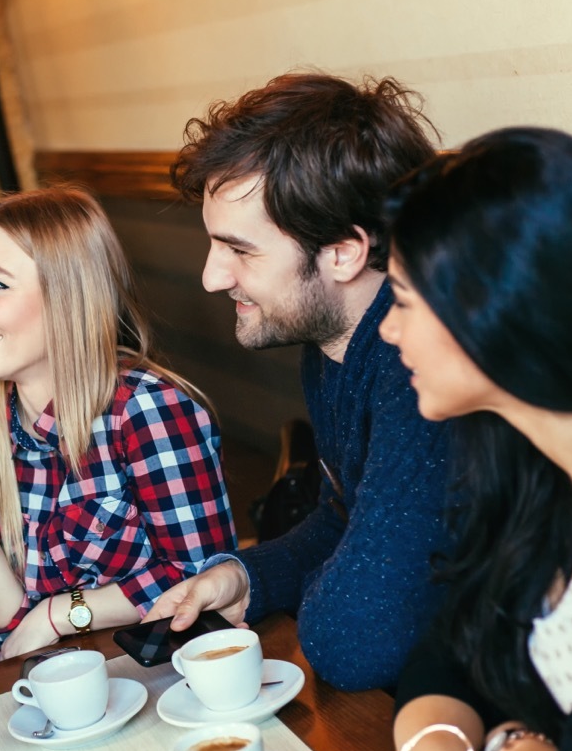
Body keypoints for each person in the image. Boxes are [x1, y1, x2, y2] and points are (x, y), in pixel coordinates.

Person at [144, 73, 452, 691]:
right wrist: (249, 576)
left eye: (240, 249)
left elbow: (354, 643)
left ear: (342, 252)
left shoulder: (425, 373)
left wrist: (319, 592)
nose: (210, 277)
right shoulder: (331, 341)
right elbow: (344, 517)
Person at [384, 128, 572, 751]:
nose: (388, 329)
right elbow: (448, 655)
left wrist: (506, 746)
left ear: (496, 310)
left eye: (404, 301)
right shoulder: (526, 452)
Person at [0, 186, 237, 663]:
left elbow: (200, 576)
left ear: (68, 295)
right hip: (36, 687)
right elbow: (2, 629)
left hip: (153, 671)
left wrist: (61, 613)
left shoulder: (146, 412)